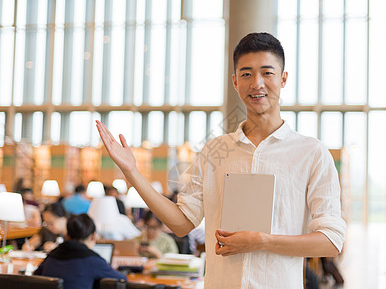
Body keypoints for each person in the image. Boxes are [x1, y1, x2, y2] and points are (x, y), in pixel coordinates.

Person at [96, 32, 346, 289]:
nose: (257, 83)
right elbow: (182, 223)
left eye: (267, 73)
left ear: (283, 79)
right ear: (235, 82)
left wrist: (262, 241)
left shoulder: (311, 153)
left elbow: (331, 240)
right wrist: (132, 172)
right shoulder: (214, 151)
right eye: (247, 74)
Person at [34, 214, 127, 289]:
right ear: (93, 236)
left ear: (67, 236)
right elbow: (123, 280)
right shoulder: (93, 260)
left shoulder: (52, 255)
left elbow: (36, 276)